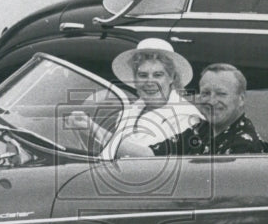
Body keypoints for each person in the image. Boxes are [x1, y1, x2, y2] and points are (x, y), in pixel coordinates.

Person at [65, 38, 202, 158]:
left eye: (158, 75)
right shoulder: (134, 107)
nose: (150, 82)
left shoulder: (186, 115)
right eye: (143, 75)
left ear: (171, 78)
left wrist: (94, 129)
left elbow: (149, 157)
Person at [149, 63, 268, 156]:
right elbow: (152, 155)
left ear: (241, 99)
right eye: (206, 93)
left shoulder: (244, 145)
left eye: (221, 94)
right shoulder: (202, 130)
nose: (211, 102)